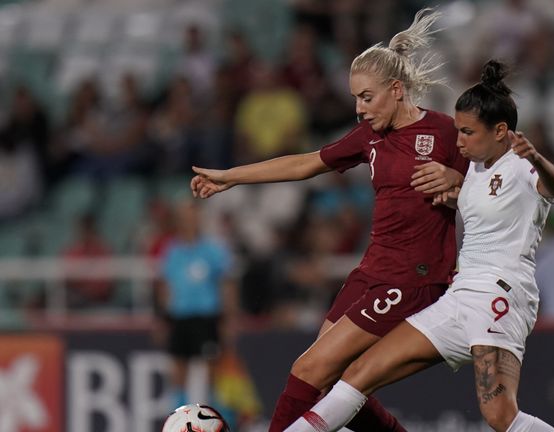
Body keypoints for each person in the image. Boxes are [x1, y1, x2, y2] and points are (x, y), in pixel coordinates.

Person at [190, 9, 467, 431]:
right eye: (355, 97)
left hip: (412, 276)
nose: (358, 108)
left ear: (396, 90)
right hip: (372, 270)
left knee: (309, 368)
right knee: (327, 382)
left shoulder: (446, 132)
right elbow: (305, 163)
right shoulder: (370, 136)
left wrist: (458, 181)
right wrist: (231, 177)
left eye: (366, 97)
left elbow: (501, 186)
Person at [285, 59, 554, 432]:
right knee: (357, 374)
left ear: (500, 131)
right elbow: (469, 202)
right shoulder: (475, 170)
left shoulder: (519, 164)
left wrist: (538, 159)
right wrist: (451, 187)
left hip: (500, 294)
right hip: (460, 293)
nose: (458, 140)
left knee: (500, 416)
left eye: (467, 132)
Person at [158, 200, 238, 413]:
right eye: (185, 216)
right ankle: (179, 417)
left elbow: (226, 285)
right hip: (180, 317)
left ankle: (213, 417)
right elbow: (165, 286)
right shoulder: (172, 250)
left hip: (206, 317)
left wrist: (228, 320)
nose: (189, 221)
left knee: (212, 371)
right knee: (178, 372)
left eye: (193, 216)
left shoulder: (213, 250)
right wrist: (163, 320)